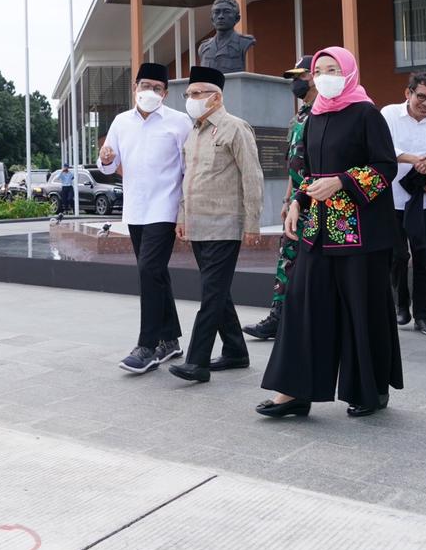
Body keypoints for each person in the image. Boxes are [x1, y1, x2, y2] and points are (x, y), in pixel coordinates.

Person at [258, 46, 402, 419]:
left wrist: (342, 182)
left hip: (361, 233)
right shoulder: (314, 117)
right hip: (317, 228)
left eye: (332, 68)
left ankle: (369, 390)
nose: (323, 75)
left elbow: (385, 167)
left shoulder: (366, 113)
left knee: (361, 309)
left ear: (349, 71)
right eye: (318, 69)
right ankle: (294, 391)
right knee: (302, 304)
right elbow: (307, 171)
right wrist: (297, 202)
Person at [169, 66, 265, 383]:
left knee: (211, 294)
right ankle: (236, 351)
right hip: (197, 224)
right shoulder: (193, 133)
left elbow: (252, 177)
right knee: (218, 292)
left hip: (225, 225)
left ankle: (196, 362)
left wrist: (252, 223)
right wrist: (182, 216)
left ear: (216, 96)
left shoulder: (236, 128)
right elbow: (187, 180)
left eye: (198, 93)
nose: (191, 99)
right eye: (188, 94)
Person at [99, 63, 193, 374]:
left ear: (165, 93)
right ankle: (171, 340)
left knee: (149, 270)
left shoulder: (179, 123)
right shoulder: (121, 122)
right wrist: (106, 158)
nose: (149, 92)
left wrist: (184, 211)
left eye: (156, 88)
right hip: (135, 209)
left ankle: (147, 345)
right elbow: (108, 166)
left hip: (165, 209)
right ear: (134, 88)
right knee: (156, 273)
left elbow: (189, 170)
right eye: (145, 86)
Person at [246, 57, 315, 340]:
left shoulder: (325, 115)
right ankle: (278, 316)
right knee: (286, 257)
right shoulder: (298, 118)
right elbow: (292, 163)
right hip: (299, 202)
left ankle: (308, 319)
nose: (295, 82)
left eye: (299, 76)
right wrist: (287, 200)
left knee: (312, 263)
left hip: (321, 199)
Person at [383, 72, 426, 335]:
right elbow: (385, 150)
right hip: (391, 199)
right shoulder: (389, 114)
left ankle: (424, 315)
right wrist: (416, 160)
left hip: (423, 199)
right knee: (398, 256)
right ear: (408, 94)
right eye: (420, 96)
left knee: (424, 258)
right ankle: (402, 306)